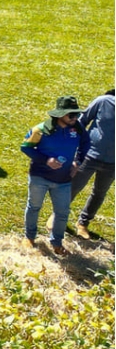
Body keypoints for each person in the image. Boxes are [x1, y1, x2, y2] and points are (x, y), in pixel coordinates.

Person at [20, 95, 87, 256]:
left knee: (62, 212)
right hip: (39, 177)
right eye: (71, 114)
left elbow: (86, 144)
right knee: (34, 207)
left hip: (63, 180)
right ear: (59, 115)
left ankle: (56, 243)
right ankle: (29, 236)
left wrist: (77, 163)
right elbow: (26, 147)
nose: (75, 118)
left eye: (76, 114)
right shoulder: (40, 129)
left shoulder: (77, 128)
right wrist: (46, 160)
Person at [73, 90, 114, 238]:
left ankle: (83, 223)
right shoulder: (103, 101)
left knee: (99, 193)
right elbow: (82, 121)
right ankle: (57, 217)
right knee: (73, 187)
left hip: (112, 163)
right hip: (90, 155)